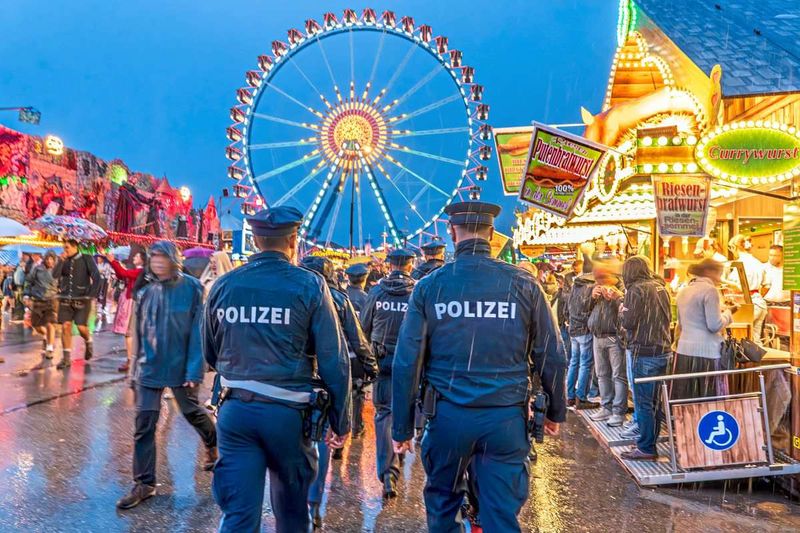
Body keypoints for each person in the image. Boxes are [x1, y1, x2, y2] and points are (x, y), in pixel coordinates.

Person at [392, 200, 567, 532]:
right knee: (500, 513)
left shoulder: (430, 286)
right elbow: (552, 353)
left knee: (443, 505)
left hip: (448, 414)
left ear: (452, 233)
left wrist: (401, 427)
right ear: (491, 233)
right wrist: (556, 411)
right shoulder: (524, 284)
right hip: (504, 416)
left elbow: (407, 361)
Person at [202, 206, 351, 533]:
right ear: (293, 239)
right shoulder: (310, 285)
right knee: (291, 515)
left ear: (255, 239)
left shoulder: (224, 285)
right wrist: (341, 419)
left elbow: (210, 352)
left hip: (236, 410)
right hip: (288, 414)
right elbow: (333, 359)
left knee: (238, 516)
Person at [116, 241, 217, 510]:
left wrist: (195, 369)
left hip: (181, 365)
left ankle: (212, 441)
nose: (157, 263)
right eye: (154, 259)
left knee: (191, 411)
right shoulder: (146, 292)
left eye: (162, 258)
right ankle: (144, 483)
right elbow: (137, 331)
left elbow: (199, 331)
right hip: (150, 366)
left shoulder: (193, 289)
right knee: (144, 423)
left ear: (174, 260)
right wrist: (133, 367)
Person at [301, 255, 377, 529]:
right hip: (326, 374)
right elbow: (357, 339)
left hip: (295, 375)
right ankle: (313, 504)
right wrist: (370, 367)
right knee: (320, 435)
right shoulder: (339, 299)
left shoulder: (292, 292)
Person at [360, 248, 416, 498]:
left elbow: (364, 327)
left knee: (383, 414)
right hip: (409, 361)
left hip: (381, 359)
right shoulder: (416, 292)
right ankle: (403, 447)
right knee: (407, 407)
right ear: (410, 265)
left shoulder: (376, 292)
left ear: (389, 265)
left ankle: (387, 473)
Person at [618, 256, 673, 460]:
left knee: (643, 403)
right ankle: (649, 442)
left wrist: (621, 311)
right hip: (664, 349)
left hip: (644, 350)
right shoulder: (661, 287)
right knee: (656, 402)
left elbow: (629, 322)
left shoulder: (635, 290)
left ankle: (646, 447)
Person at [672, 258, 736, 400]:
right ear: (710, 272)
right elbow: (714, 325)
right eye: (719, 273)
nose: (720, 278)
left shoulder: (683, 291)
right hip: (707, 353)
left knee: (688, 399)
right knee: (708, 400)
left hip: (684, 351)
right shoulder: (710, 290)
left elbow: (680, 323)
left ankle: (688, 423)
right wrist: (729, 313)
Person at [588, 261, 627, 427]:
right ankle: (606, 407)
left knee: (618, 376)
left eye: (603, 277)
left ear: (612, 275)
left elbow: (627, 311)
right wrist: (590, 298)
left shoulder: (623, 289)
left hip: (614, 337)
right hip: (597, 336)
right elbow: (582, 310)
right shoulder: (595, 288)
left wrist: (617, 298)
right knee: (602, 374)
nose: (600, 281)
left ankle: (618, 412)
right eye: (597, 278)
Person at [52, 239, 101, 368]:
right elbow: (54, 275)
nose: (65, 251)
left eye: (67, 248)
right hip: (65, 298)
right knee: (65, 326)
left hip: (82, 299)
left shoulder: (86, 258)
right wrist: (60, 261)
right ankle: (66, 358)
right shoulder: (64, 260)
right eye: (64, 248)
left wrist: (91, 295)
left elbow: (97, 277)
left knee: (81, 327)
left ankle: (88, 341)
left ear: (75, 247)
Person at [566, 260, 599, 409]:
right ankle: (581, 398)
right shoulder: (592, 286)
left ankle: (570, 396)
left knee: (574, 362)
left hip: (573, 329)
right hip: (585, 330)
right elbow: (587, 308)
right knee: (586, 365)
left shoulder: (575, 285)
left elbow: (568, 307)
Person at [106, 251, 146, 373]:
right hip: (129, 301)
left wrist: (113, 261)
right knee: (130, 333)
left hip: (132, 302)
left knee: (129, 332)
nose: (134, 257)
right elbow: (121, 274)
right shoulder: (137, 271)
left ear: (143, 259)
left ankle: (131, 360)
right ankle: (131, 359)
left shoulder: (140, 271)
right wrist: (114, 263)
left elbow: (123, 273)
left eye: (137, 256)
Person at [727, 234, 767, 344]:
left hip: (747, 304)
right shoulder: (758, 262)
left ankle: (739, 361)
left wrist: (722, 281)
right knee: (755, 340)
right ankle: (757, 361)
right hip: (760, 303)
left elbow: (739, 287)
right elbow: (766, 284)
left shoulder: (740, 263)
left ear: (734, 247)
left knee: (739, 338)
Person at [24, 250, 58, 363]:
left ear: (54, 260)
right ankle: (45, 336)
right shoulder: (37, 269)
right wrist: (26, 296)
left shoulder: (58, 270)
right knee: (36, 326)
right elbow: (28, 282)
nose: (49, 261)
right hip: (38, 300)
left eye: (51, 259)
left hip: (52, 300)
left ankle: (49, 348)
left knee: (50, 323)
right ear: (44, 259)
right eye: (47, 259)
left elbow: (65, 283)